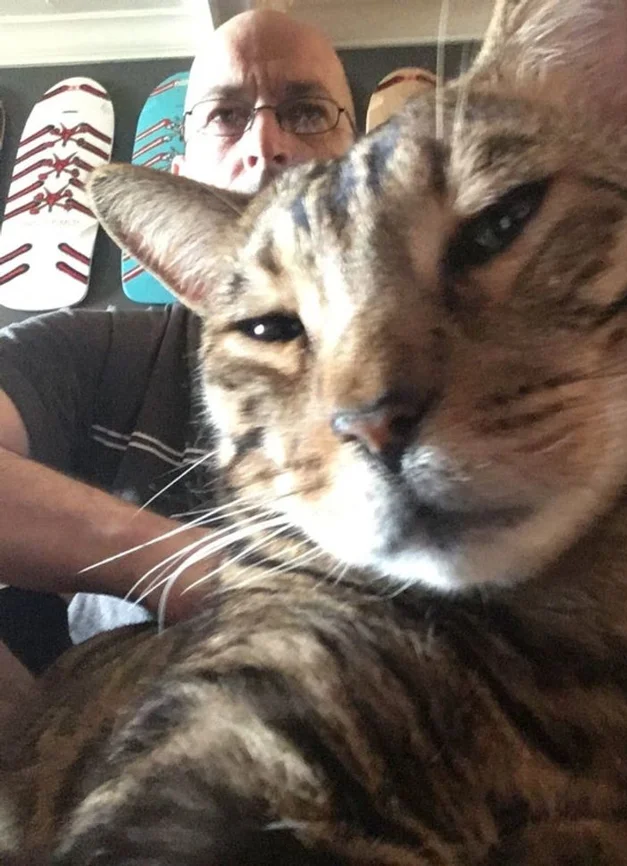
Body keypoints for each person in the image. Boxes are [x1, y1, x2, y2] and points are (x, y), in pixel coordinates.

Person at [0, 9, 356, 712]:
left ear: (363, 157)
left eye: (306, 112)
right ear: (181, 173)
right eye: (226, 116)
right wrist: (195, 572)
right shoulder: (96, 353)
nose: (266, 144)